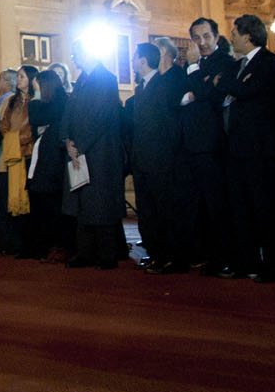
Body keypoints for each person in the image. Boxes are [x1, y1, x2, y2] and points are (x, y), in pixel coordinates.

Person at [223, 13, 275, 282]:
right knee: (241, 208)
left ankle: (273, 265)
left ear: (249, 36)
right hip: (237, 149)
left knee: (264, 209)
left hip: (260, 151)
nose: (232, 37)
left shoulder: (267, 63)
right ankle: (247, 261)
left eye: (235, 32)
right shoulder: (240, 65)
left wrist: (226, 84)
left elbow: (244, 91)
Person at [125, 39, 187, 274]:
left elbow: (169, 126)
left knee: (164, 211)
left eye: (134, 58)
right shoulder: (140, 88)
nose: (131, 62)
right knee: (147, 212)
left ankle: (171, 258)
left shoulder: (164, 85)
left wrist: (164, 157)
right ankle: (156, 254)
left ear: (143, 61)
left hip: (160, 160)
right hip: (142, 160)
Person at [58, 49, 123, 269]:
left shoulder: (106, 79)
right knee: (82, 202)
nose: (75, 60)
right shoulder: (82, 80)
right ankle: (84, 252)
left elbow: (101, 116)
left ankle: (107, 254)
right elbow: (68, 112)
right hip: (79, 149)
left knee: (101, 203)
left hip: (101, 151)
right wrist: (67, 140)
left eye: (77, 55)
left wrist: (80, 145)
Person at [181, 18, 235, 276]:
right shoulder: (192, 67)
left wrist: (195, 77)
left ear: (216, 36)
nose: (201, 43)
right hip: (191, 143)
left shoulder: (224, 62)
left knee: (216, 203)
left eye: (206, 36)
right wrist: (197, 88)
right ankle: (201, 253)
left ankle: (223, 256)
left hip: (213, 143)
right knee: (197, 204)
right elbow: (184, 96)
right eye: (196, 38)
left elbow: (210, 96)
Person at [23, 68, 69, 262]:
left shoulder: (60, 101)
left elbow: (35, 117)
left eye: (37, 86)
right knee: (39, 204)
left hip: (53, 162)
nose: (35, 91)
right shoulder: (51, 103)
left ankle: (53, 246)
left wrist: (36, 97)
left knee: (50, 206)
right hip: (42, 158)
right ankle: (39, 245)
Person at [0, 68, 33, 256]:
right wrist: (11, 138)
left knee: (27, 199)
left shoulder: (35, 101)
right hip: (13, 154)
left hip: (28, 153)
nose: (18, 80)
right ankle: (15, 242)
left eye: (22, 76)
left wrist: (19, 139)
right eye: (18, 76)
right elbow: (3, 124)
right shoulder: (13, 102)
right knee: (12, 199)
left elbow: (33, 127)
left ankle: (28, 243)